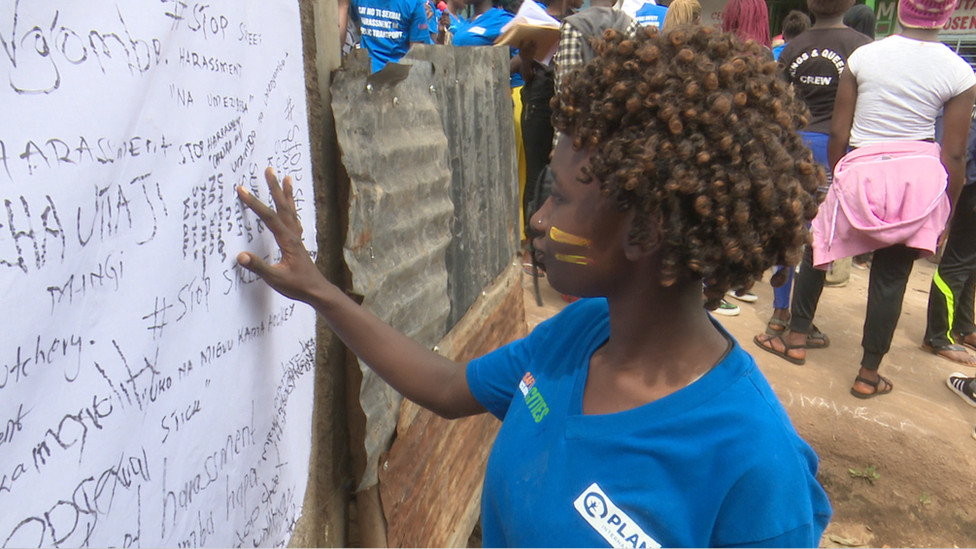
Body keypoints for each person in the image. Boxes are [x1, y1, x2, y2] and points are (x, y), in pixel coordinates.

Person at [236, 25, 831, 547]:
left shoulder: (755, 468)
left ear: (645, 231)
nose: (540, 220)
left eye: (561, 198)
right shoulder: (576, 338)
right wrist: (318, 289)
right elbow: (446, 386)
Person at [759, 0, 976, 400]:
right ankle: (868, 373)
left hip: (859, 168)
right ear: (946, 14)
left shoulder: (865, 57)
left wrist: (840, 180)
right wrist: (946, 207)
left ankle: (795, 337)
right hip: (916, 183)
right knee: (891, 277)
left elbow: (839, 133)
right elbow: (955, 155)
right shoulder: (958, 71)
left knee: (818, 251)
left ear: (900, 10)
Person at [754, 0, 870, 341]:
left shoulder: (794, 47)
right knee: (822, 235)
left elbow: (775, 99)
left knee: (788, 227)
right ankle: (802, 321)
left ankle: (779, 312)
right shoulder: (862, 48)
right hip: (836, 148)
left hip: (793, 144)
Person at [922, 107, 976, 366]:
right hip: (972, 190)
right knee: (957, 263)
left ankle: (964, 326)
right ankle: (938, 336)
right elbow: (963, 148)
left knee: (970, 264)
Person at [340, 0, 432, 73]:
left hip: (368, 79)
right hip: (399, 80)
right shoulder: (415, 4)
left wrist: (343, 6)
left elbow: (339, 41)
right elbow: (417, 58)